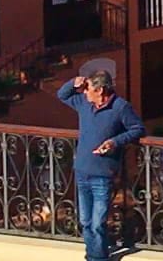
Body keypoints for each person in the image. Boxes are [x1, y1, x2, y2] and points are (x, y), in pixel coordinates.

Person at [56, 70, 143, 261]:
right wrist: (73, 83)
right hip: (82, 170)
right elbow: (62, 95)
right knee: (85, 221)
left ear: (100, 90)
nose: (85, 92)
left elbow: (137, 128)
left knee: (98, 222)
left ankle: (97, 258)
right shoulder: (84, 104)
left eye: (88, 89)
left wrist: (115, 142)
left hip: (103, 174)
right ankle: (95, 255)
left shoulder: (120, 107)